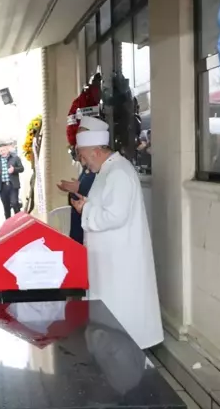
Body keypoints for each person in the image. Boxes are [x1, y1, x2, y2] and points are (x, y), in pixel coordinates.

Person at [71, 124, 163, 349]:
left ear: (96, 151)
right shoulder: (107, 170)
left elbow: (115, 216)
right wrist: (89, 204)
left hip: (120, 258)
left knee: (121, 304)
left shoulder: (119, 172)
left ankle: (127, 347)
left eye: (83, 157)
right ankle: (110, 344)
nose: (83, 162)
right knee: (110, 304)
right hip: (110, 257)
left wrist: (86, 210)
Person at [57, 116, 104, 244]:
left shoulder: (104, 167)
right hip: (81, 222)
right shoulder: (89, 163)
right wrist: (75, 187)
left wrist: (77, 188)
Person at [0, 143, 24, 219]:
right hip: (2, 186)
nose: (2, 152)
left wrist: (14, 170)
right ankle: (8, 223)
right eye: (0, 151)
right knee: (6, 206)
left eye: (3, 150)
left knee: (14, 203)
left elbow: (21, 168)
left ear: (7, 149)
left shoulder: (15, 158)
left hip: (12, 185)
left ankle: (18, 221)